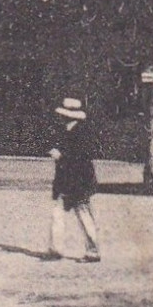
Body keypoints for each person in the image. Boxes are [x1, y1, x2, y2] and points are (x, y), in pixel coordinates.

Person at [46, 96, 100, 262]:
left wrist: (61, 156)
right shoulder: (68, 131)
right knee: (58, 215)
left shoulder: (80, 133)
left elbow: (79, 159)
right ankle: (56, 249)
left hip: (78, 183)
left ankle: (93, 251)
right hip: (67, 182)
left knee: (83, 215)